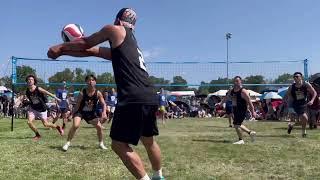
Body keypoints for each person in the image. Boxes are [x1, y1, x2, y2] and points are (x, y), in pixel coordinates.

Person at [47, 8, 164, 180]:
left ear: (117, 19)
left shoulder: (114, 29)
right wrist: (63, 52)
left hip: (132, 96)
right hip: (149, 93)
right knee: (148, 140)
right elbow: (92, 51)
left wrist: (60, 46)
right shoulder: (130, 44)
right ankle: (158, 176)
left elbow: (86, 43)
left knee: (118, 144)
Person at [62, 75, 108, 151]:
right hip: (80, 112)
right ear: (86, 82)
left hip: (91, 114)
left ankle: (101, 144)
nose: (91, 82)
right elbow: (77, 105)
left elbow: (103, 104)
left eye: (92, 80)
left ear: (95, 82)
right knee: (75, 125)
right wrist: (71, 114)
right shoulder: (82, 93)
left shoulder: (98, 93)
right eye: (89, 80)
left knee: (99, 127)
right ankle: (67, 143)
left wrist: (104, 112)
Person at [25, 75, 64, 140]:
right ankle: (37, 135)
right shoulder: (27, 91)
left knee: (46, 124)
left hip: (42, 109)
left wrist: (56, 98)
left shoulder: (38, 89)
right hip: (33, 108)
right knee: (29, 122)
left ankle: (58, 127)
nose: (30, 80)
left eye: (31, 79)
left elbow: (48, 93)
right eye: (28, 79)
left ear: (34, 81)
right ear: (27, 81)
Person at [219, 76, 256, 144]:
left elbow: (250, 103)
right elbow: (226, 98)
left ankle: (241, 140)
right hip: (235, 109)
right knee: (238, 124)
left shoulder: (243, 92)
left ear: (240, 82)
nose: (235, 83)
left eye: (237, 81)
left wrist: (253, 112)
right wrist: (221, 103)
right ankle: (250, 133)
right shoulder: (231, 91)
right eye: (235, 81)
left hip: (242, 110)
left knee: (236, 124)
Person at [287, 72, 316, 137]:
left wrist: (312, 100)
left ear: (301, 77)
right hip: (295, 104)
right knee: (303, 118)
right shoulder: (292, 87)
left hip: (304, 103)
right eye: (294, 77)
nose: (295, 78)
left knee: (305, 119)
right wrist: (290, 105)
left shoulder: (306, 84)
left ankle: (295, 127)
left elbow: (314, 92)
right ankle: (302, 131)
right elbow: (288, 95)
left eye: (297, 76)